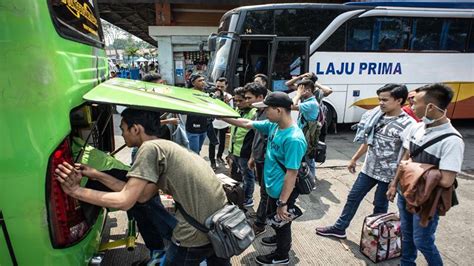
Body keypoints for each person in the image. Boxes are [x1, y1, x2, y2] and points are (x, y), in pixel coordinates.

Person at [55, 108, 231, 265]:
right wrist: (97, 174)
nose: (122, 134)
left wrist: (76, 191)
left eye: (123, 129)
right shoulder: (166, 146)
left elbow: (125, 201)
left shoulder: (149, 149)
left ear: (136, 129)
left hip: (195, 234)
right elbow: (142, 196)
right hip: (218, 228)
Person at [316, 84, 415, 239]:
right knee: (353, 197)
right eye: (379, 99)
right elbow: (369, 140)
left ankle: (377, 239)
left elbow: (406, 156)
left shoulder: (408, 124)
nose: (380, 103)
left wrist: (395, 183)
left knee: (380, 206)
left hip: (388, 176)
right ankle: (339, 228)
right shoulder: (377, 115)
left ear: (399, 100)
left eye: (385, 100)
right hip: (368, 169)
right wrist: (354, 159)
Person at [223, 91, 307, 265]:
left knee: (282, 222)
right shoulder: (273, 125)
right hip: (271, 186)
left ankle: (282, 255)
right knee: (274, 219)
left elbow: (292, 174)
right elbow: (246, 123)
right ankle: (278, 239)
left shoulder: (294, 139)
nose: (264, 112)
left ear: (279, 110)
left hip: (283, 191)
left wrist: (283, 203)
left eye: (267, 109)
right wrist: (218, 115)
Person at [387, 83, 464, 266]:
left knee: (422, 241)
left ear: (430, 106)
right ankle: (407, 263)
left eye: (415, 103)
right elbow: (405, 158)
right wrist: (393, 184)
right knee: (406, 234)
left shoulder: (452, 140)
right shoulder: (416, 128)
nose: (411, 107)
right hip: (404, 192)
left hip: (427, 201)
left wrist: (411, 168)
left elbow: (446, 181)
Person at [244, 83, 270, 236]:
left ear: (260, 97)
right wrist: (253, 157)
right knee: (263, 190)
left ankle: (260, 223)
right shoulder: (258, 112)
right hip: (259, 158)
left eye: (249, 98)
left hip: (268, 162)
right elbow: (257, 136)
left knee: (266, 192)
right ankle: (263, 215)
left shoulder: (269, 114)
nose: (247, 101)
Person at [228, 86, 257, 207]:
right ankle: (240, 195)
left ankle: (248, 199)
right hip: (234, 150)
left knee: (248, 177)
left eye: (241, 100)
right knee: (239, 176)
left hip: (245, 153)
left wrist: (252, 156)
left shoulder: (254, 113)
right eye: (236, 100)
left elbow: (257, 138)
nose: (237, 103)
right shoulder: (237, 110)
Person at [291, 78, 319, 176]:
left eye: (301, 89)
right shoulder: (308, 101)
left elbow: (291, 106)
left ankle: (311, 180)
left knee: (308, 158)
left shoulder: (311, 103)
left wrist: (298, 95)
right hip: (304, 132)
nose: (299, 92)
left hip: (308, 135)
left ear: (308, 90)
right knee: (305, 157)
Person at [209, 77, 232, 168]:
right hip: (213, 123)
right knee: (212, 142)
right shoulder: (211, 95)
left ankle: (219, 156)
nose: (219, 88)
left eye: (222, 87)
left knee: (222, 142)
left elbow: (231, 111)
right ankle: (212, 161)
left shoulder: (229, 97)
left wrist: (226, 103)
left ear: (226, 86)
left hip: (224, 124)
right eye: (217, 86)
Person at [185, 74, 210, 154]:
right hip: (193, 129)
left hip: (204, 127)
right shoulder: (188, 93)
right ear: (193, 83)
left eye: (203, 80)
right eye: (199, 81)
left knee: (198, 149)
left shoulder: (206, 93)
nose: (203, 82)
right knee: (194, 152)